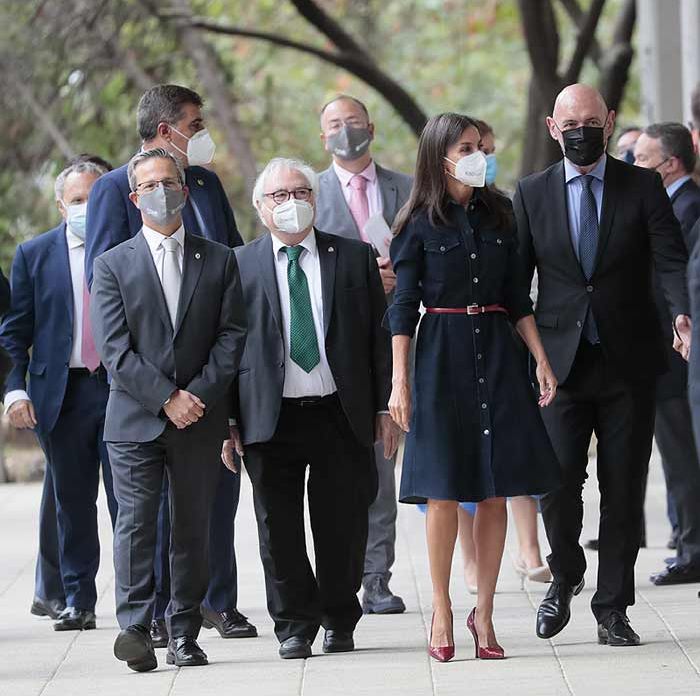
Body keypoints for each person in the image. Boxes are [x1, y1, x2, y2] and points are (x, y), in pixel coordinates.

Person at [513, 84, 691, 648]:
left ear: (609, 122)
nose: (581, 131)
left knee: (623, 488)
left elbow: (669, 259)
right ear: (552, 127)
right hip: (559, 364)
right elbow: (517, 283)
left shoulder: (642, 186)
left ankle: (613, 606)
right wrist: (523, 356)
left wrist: (681, 316)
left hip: (629, 361)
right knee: (558, 484)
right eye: (571, 123)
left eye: (591, 120)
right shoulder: (532, 193)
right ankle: (564, 576)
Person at [85, 84, 255, 646]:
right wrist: (164, 396)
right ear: (135, 197)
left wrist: (200, 397)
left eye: (169, 185)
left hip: (200, 409)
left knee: (195, 526)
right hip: (136, 412)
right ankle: (137, 625)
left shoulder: (217, 251)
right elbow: (114, 343)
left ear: (185, 190)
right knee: (135, 525)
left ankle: (186, 627)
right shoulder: (114, 257)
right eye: (150, 187)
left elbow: (233, 330)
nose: (161, 193)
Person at [387, 112, 560, 663]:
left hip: (500, 355)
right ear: (442, 155)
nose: (479, 153)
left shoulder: (501, 213)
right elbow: (401, 306)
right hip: (440, 356)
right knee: (443, 492)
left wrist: (540, 359)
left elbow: (517, 298)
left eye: (481, 145)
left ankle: (484, 611)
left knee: (495, 490)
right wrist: (401, 382)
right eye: (468, 146)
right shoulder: (416, 221)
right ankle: (441, 607)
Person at [222, 157, 395, 660]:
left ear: (315, 200)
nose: (291, 203)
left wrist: (385, 407)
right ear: (259, 207)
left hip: (340, 412)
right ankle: (294, 623)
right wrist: (229, 420)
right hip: (269, 415)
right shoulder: (239, 264)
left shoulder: (355, 257)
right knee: (277, 526)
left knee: (342, 521)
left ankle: (340, 617)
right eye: (278, 196)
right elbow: (228, 348)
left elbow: (377, 339)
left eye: (300, 192)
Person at [0, 159, 117, 631]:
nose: (86, 207)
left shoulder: (126, 246)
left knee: (131, 503)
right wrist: (14, 390)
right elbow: (14, 332)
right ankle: (77, 598)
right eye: (76, 200)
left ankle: (144, 601)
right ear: (60, 204)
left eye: (95, 197)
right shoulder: (34, 254)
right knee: (71, 502)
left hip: (119, 389)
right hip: (60, 395)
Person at [315, 94, 411, 614]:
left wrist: (405, 278)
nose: (345, 130)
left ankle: (378, 577)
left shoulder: (407, 187)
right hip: (332, 346)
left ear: (370, 127)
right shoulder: (307, 193)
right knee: (339, 472)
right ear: (321, 135)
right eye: (335, 123)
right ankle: (338, 577)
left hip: (398, 336)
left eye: (353, 121)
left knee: (383, 465)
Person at [635, 122, 700, 585]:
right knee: (675, 455)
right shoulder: (671, 204)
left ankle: (692, 548)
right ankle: (685, 539)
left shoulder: (688, 208)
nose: (635, 167)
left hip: (676, 354)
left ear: (670, 163)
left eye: (643, 159)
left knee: (681, 457)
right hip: (663, 352)